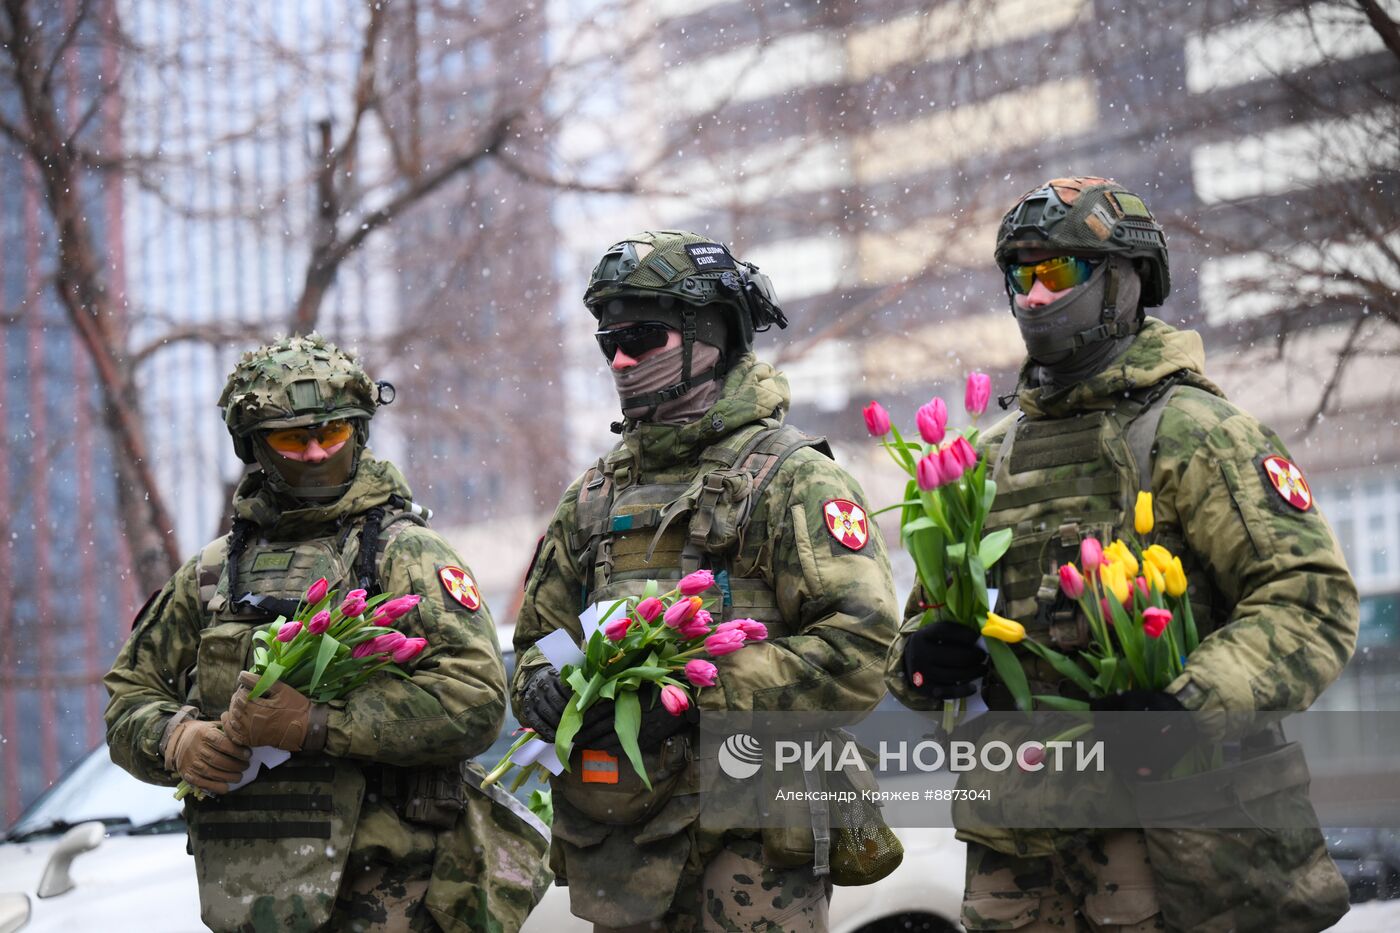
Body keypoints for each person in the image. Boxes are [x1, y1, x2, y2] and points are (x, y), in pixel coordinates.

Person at [884, 177, 1358, 932]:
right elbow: (927, 630)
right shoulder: (980, 461)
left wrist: (1185, 706)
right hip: (1022, 867)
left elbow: (1311, 605)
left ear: (1124, 283)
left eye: (1058, 272)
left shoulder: (1200, 434)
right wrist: (920, 660)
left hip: (1179, 853)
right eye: (1020, 275)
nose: (1034, 298)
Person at [512, 230, 901, 931]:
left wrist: (699, 694)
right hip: (623, 844)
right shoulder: (594, 497)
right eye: (609, 343)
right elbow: (543, 638)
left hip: (751, 848)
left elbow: (862, 652)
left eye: (643, 336)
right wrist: (542, 684)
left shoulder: (793, 478)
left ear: (711, 335)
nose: (621, 359)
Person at [104, 334, 550, 933]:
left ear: (358, 433)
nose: (314, 453)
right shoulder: (214, 572)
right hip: (254, 894)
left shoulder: (406, 555)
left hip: (396, 894)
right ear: (256, 447)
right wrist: (177, 741)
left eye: (331, 433)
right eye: (293, 438)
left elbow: (475, 702)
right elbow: (129, 697)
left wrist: (317, 725)